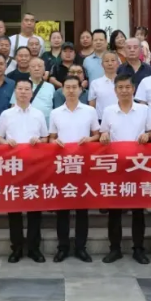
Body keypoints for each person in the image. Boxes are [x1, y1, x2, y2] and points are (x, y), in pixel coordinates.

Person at [99, 74, 151, 264]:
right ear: (115, 91)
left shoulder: (144, 110)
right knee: (114, 211)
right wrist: (104, 136)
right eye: (120, 87)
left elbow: (150, 131)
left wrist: (147, 136)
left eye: (127, 87)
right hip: (116, 167)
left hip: (138, 165)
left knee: (138, 211)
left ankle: (138, 249)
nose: (124, 91)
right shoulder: (108, 111)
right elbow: (103, 133)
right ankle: (115, 249)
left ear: (133, 89)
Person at [0, 79, 49, 263]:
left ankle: (34, 248)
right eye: (20, 89)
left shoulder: (39, 114)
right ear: (15, 92)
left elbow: (45, 138)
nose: (24, 92)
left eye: (27, 89)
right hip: (13, 167)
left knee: (35, 209)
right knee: (14, 209)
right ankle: (16, 248)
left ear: (32, 93)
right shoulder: (6, 114)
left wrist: (39, 141)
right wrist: (6, 142)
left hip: (34, 167)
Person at [49, 76, 100, 263]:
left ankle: (80, 247)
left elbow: (97, 135)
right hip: (62, 165)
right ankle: (62, 247)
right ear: (62, 90)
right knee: (62, 209)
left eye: (74, 87)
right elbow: (51, 137)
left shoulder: (90, 111)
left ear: (80, 90)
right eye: (67, 87)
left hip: (83, 165)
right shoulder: (55, 113)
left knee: (82, 209)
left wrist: (89, 139)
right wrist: (55, 142)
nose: (71, 91)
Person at [10, 57, 55, 124]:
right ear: (29, 69)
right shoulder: (21, 85)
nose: (36, 69)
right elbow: (13, 107)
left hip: (46, 125)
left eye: (40, 66)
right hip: (26, 124)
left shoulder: (50, 87)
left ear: (44, 69)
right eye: (33, 66)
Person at [88, 51, 119, 122]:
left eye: (113, 60)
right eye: (106, 61)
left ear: (118, 63)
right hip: (101, 120)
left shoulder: (123, 82)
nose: (110, 63)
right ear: (102, 65)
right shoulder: (95, 83)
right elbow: (92, 106)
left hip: (121, 118)